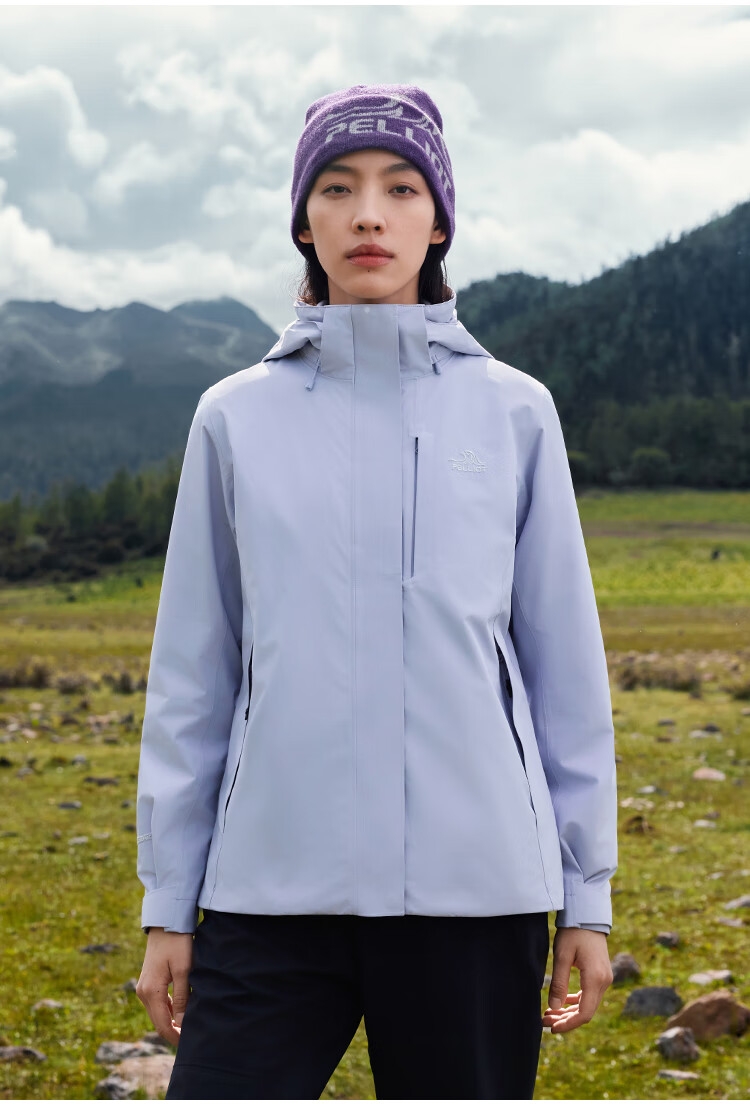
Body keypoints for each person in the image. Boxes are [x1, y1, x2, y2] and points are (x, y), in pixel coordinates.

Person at [135, 83, 617, 1101]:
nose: (367, 215)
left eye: (401, 189)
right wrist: (169, 902)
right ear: (302, 221)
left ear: (438, 221)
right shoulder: (234, 419)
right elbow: (194, 678)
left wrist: (586, 896)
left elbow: (563, 671)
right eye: (337, 187)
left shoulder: (516, 413)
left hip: (477, 894)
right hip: (271, 890)